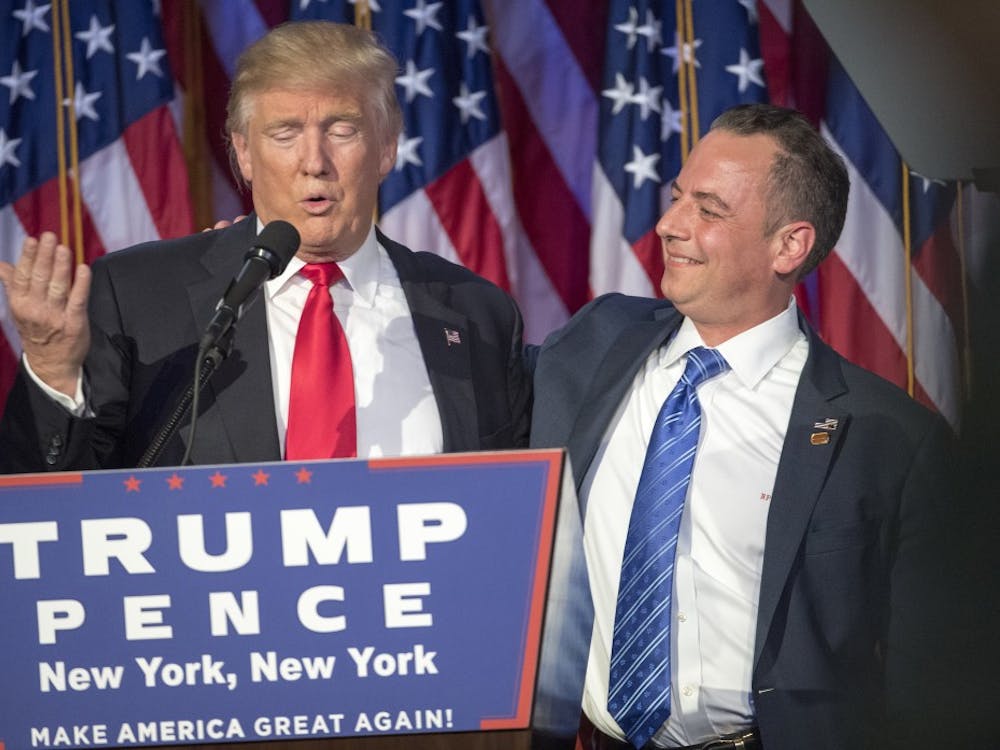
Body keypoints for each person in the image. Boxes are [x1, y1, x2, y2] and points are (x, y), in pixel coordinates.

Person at [529, 104, 955, 750]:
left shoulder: (887, 439)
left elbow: (928, 696)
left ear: (790, 245)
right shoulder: (596, 341)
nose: (670, 226)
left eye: (709, 210)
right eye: (677, 199)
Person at [0, 21, 530, 472]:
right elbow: (55, 508)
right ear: (244, 154)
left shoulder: (477, 313)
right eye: (284, 133)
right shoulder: (139, 298)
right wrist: (51, 371)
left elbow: (512, 513)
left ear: (387, 145)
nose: (314, 161)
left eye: (342, 130)